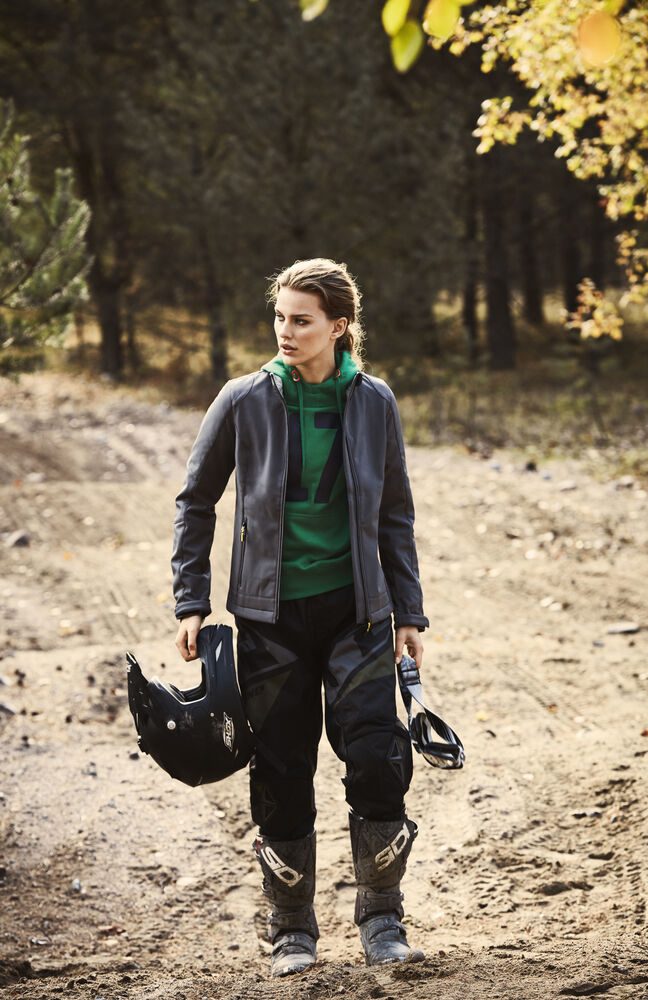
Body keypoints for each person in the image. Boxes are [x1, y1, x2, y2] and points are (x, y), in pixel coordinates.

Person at [171, 258, 429, 977]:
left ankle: (381, 917)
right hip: (269, 618)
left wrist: (408, 612)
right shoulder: (243, 399)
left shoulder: (374, 401)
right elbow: (195, 500)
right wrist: (191, 599)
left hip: (358, 614)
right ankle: (290, 928)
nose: (286, 331)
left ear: (338, 326)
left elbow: (395, 513)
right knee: (282, 766)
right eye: (280, 317)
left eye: (302, 320)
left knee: (377, 757)